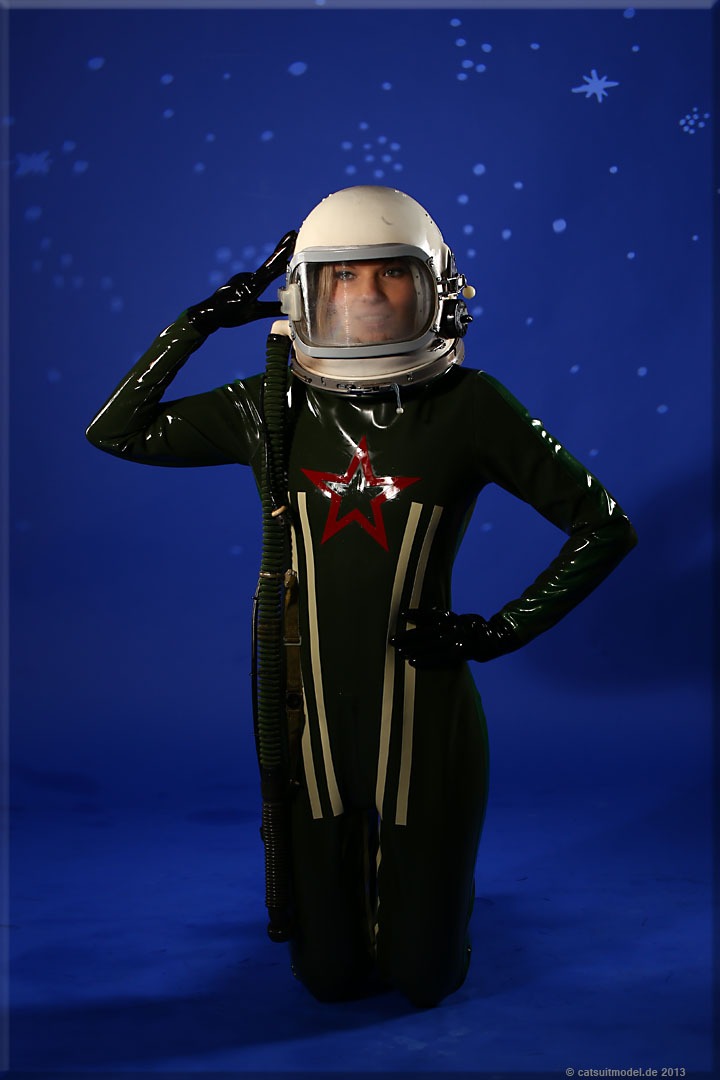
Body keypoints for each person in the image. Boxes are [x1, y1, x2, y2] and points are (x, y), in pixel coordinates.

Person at [86, 185, 637, 1008]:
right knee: (329, 977)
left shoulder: (471, 406)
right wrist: (199, 321)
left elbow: (604, 526)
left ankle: (434, 928)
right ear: (305, 290)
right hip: (305, 711)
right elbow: (118, 431)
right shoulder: (267, 404)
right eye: (343, 275)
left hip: (424, 706)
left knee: (423, 978)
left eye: (391, 273)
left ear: (438, 288)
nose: (368, 294)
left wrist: (497, 633)